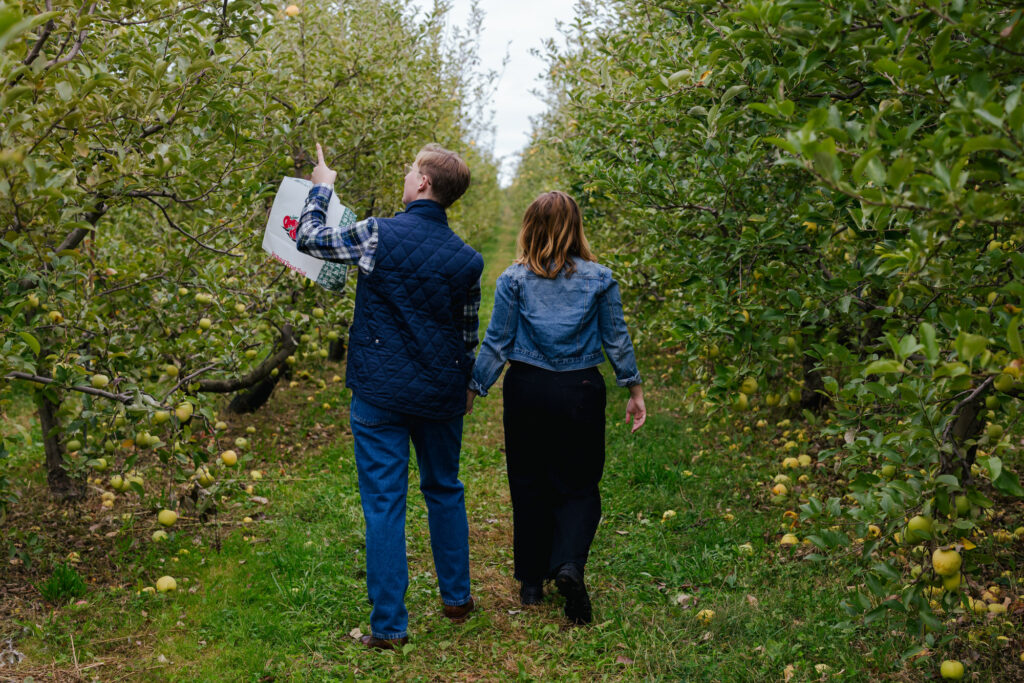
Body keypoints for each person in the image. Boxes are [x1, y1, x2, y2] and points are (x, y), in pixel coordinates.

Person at [294, 143, 482, 650]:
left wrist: (322, 187)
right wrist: (467, 387)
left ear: (423, 183)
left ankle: (389, 627)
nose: (405, 174)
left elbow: (310, 238)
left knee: (383, 504)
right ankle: (457, 599)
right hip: (441, 392)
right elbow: (468, 336)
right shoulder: (468, 259)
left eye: (410, 169)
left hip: (380, 391)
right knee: (444, 488)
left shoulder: (377, 233)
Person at [466, 191, 646, 625]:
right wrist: (634, 390)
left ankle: (531, 583)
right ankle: (568, 565)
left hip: (527, 387)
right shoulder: (601, 278)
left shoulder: (513, 279)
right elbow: (616, 338)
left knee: (528, 482)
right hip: (581, 387)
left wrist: (474, 387)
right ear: (576, 227)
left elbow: (498, 341)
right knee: (579, 484)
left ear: (529, 227)